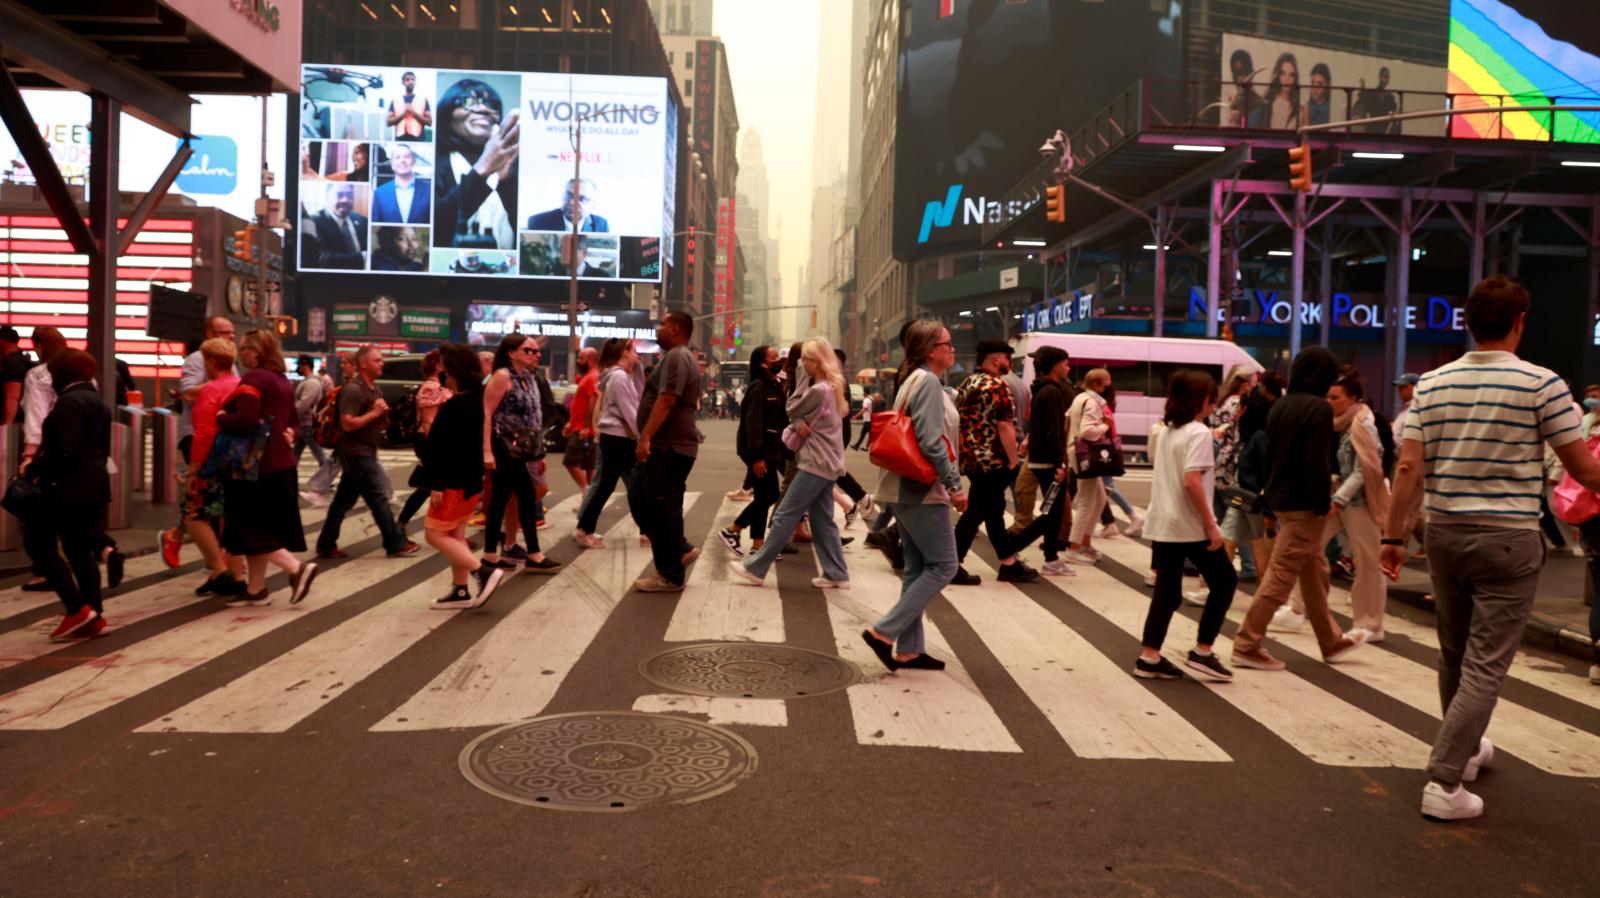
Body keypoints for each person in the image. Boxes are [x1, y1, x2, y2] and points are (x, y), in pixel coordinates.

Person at [1380, 275, 1600, 821]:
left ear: (1469, 324)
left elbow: (1407, 467)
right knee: (1486, 666)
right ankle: (1444, 779)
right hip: (1508, 539)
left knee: (1455, 654)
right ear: (1520, 322)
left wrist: (1391, 536)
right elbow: (1582, 468)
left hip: (1446, 535)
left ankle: (1468, 747)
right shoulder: (1543, 385)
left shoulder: (1431, 385)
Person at [1231, 346, 1367, 671]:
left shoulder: (1281, 406)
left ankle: (1331, 640)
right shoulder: (1318, 409)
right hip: (1305, 502)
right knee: (1281, 574)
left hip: (1281, 498)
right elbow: (1316, 462)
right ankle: (1247, 643)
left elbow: (1271, 455)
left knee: (1314, 569)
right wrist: (1323, 502)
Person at [861, 321, 967, 671]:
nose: (952, 348)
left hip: (902, 488)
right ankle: (884, 632)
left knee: (917, 568)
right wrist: (954, 485)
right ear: (928, 350)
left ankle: (910, 649)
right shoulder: (929, 382)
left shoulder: (913, 379)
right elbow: (931, 440)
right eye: (947, 343)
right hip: (922, 489)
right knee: (945, 565)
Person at [1137, 370, 1237, 681]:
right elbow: (1193, 482)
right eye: (1211, 398)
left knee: (1167, 593)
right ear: (1201, 400)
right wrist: (1211, 525)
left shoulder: (1167, 431)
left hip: (1164, 522)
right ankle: (1203, 651)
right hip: (1189, 525)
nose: (1214, 403)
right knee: (1224, 582)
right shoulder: (1199, 433)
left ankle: (1149, 657)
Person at [728, 338, 852, 589]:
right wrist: (797, 422)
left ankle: (756, 567)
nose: (799, 364)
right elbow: (799, 417)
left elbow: (791, 406)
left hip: (815, 463)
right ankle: (837, 573)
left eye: (804, 360)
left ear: (814, 363)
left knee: (785, 514)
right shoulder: (831, 386)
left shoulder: (818, 390)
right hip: (828, 461)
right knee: (822, 520)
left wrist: (801, 382)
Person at [216, 330, 320, 606]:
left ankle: (297, 569)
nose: (241, 354)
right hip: (281, 464)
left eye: (244, 349)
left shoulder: (255, 378)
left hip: (255, 468)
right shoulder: (282, 380)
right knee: (262, 528)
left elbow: (247, 419)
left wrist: (223, 417)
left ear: (257, 351)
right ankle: (256, 590)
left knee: (245, 527)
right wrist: (291, 433)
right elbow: (294, 420)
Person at [26, 350, 114, 640]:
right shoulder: (97, 401)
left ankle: (77, 608)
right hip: (94, 484)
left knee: (39, 546)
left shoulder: (69, 404)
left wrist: (34, 466)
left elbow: (65, 450)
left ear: (61, 375)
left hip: (67, 487)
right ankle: (93, 614)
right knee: (79, 550)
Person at [421, 344, 504, 610]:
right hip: (471, 479)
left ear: (453, 370)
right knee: (455, 534)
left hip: (451, 481)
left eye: (443, 365)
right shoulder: (477, 400)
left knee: (434, 535)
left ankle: (483, 572)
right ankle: (460, 590)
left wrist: (437, 483)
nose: (440, 370)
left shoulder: (455, 406)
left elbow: (440, 449)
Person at [316, 346, 419, 559]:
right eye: (378, 361)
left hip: (367, 450)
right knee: (378, 497)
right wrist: (375, 413)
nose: (382, 364)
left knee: (343, 501)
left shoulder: (375, 389)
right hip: (355, 452)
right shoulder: (354, 390)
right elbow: (347, 424)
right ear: (363, 364)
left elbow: (377, 424)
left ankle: (326, 543)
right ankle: (395, 543)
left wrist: (390, 415)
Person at [950, 340, 1037, 586]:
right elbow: (1004, 426)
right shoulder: (997, 385)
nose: (1010, 364)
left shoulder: (968, 382)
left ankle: (1008, 563)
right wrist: (1013, 460)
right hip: (993, 460)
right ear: (996, 358)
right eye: (1008, 359)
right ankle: (952, 564)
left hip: (971, 458)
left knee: (993, 508)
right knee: (977, 511)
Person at [1315, 367, 1390, 641]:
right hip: (1344, 496)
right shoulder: (1345, 424)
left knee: (1367, 561)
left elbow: (1364, 470)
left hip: (1360, 500)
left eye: (1335, 398)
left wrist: (1337, 498)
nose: (1329, 402)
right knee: (1311, 546)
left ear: (1353, 398)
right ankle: (1298, 608)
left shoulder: (1363, 424)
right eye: (1328, 397)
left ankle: (1371, 624)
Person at [631, 312, 703, 592]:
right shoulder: (678, 356)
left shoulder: (676, 356)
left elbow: (667, 399)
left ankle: (670, 573)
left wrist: (645, 437)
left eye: (661, 325)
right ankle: (679, 549)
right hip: (667, 444)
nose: (657, 330)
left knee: (662, 506)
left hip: (669, 444)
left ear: (674, 329)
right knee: (642, 497)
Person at [479, 333, 561, 574]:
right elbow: (486, 413)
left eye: (536, 351)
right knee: (523, 495)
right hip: (503, 446)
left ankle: (491, 555)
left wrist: (539, 454)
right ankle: (533, 554)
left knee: (502, 499)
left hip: (522, 448)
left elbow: (533, 420)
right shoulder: (503, 376)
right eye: (528, 350)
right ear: (511, 353)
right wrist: (486, 450)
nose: (535, 354)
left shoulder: (530, 378)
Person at [185, 338, 246, 597]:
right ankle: (238, 574)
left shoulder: (211, 390)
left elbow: (204, 434)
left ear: (211, 361)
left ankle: (219, 569)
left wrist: (193, 469)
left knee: (192, 514)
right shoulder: (241, 385)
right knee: (229, 518)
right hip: (239, 463)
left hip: (213, 464)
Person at [1006, 346, 1074, 576]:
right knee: (1050, 515)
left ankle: (1051, 559)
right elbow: (1053, 432)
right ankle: (1009, 549)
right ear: (1055, 367)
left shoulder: (1040, 390)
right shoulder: (1052, 393)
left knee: (1051, 514)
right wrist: (1059, 464)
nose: (1068, 367)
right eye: (1065, 364)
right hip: (1048, 463)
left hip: (1039, 459)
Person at [574, 338, 646, 547]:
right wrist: (643, 439)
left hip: (619, 438)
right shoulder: (619, 378)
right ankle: (584, 528)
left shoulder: (623, 376)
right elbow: (630, 412)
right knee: (612, 485)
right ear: (624, 353)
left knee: (630, 484)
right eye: (634, 351)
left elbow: (639, 396)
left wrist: (639, 369)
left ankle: (646, 530)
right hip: (617, 438)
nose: (637, 355)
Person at [434, 78, 519, 249]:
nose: (484, 109)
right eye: (470, 101)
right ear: (448, 112)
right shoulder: (434, 161)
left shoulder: (514, 163)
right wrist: (483, 169)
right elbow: (436, 226)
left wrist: (507, 181)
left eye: (492, 104)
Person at [721, 345, 786, 557]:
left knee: (763, 496)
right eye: (773, 357)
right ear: (762, 363)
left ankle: (758, 546)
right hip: (758, 451)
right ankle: (733, 530)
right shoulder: (758, 387)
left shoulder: (774, 385)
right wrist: (757, 457)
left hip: (770, 450)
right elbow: (754, 424)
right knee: (770, 495)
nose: (779, 360)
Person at [1210, 365, 1256, 572]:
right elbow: (1237, 437)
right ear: (1246, 384)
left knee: (1223, 515)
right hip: (1231, 463)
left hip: (1219, 462)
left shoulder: (1222, 402)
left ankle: (1219, 560)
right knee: (1238, 512)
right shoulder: (1237, 403)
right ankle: (1248, 565)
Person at [398, 350, 452, 528]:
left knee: (428, 487)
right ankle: (401, 526)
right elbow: (429, 422)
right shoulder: (431, 387)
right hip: (430, 440)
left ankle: (402, 525)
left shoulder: (439, 385)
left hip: (436, 440)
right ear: (437, 365)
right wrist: (436, 449)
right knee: (431, 487)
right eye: (445, 361)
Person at [1065, 368, 1113, 564]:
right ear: (1096, 384)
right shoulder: (1092, 403)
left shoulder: (1081, 398)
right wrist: (1105, 426)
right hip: (1086, 455)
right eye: (1106, 382)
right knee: (1086, 501)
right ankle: (1074, 548)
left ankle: (1084, 543)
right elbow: (1087, 432)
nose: (1109, 386)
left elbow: (1068, 419)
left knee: (1100, 499)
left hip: (1076, 452)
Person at [293, 355, 337, 504]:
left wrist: (290, 414)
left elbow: (304, 404)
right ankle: (288, 476)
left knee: (318, 454)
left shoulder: (311, 383)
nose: (297, 368)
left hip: (308, 424)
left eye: (299, 365)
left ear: (305, 365)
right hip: (305, 423)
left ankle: (326, 481)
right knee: (295, 453)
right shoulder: (312, 381)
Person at [563, 346, 600, 492]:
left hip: (584, 430)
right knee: (590, 465)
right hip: (584, 428)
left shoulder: (591, 377)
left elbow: (594, 399)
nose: (578, 362)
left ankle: (586, 491)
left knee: (570, 462)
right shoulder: (591, 376)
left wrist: (585, 426)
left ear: (590, 360)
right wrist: (570, 423)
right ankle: (589, 498)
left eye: (581, 358)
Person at [306, 182, 368, 269]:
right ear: (327, 197)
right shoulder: (314, 221)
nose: (345, 200)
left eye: (349, 195)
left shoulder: (362, 220)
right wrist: (363, 257)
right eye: (339, 195)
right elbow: (321, 258)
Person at [371, 144, 431, 224]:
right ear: (392, 164)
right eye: (397, 157)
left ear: (414, 161)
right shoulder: (379, 193)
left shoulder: (430, 190)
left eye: (407, 157)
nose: (402, 161)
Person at [526, 178, 610, 232]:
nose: (572, 202)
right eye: (569, 195)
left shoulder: (601, 225)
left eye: (582, 198)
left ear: (593, 205)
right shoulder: (538, 222)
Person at [1249, 52, 1305, 130]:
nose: (1287, 79)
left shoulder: (1299, 109)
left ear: (1295, 78)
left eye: (1291, 75)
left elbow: (1306, 137)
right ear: (1278, 75)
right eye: (1283, 73)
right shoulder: (1268, 104)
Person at [387, 71, 433, 141]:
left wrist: (413, 113)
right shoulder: (395, 100)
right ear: (403, 82)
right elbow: (388, 122)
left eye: (412, 80)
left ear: (415, 82)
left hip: (419, 140)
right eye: (407, 80)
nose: (410, 82)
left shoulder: (423, 100)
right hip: (400, 140)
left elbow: (429, 122)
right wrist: (404, 114)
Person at [0, 325, 31, 425]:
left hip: (13, 421)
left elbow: (12, 396)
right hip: (21, 419)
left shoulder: (11, 363)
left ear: (2, 341)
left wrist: (6, 426)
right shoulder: (22, 359)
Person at [1355, 66, 1400, 134]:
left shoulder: (1390, 97)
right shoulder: (1372, 93)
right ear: (1379, 77)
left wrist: (1394, 113)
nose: (1386, 80)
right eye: (1384, 76)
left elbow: (1393, 111)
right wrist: (1363, 89)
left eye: (1387, 77)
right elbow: (1367, 105)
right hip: (1373, 128)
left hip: (1385, 128)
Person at [1393, 373, 1420, 444]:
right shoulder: (1405, 408)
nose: (1399, 390)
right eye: (1399, 386)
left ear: (1415, 387)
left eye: (1403, 386)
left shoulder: (1417, 408)